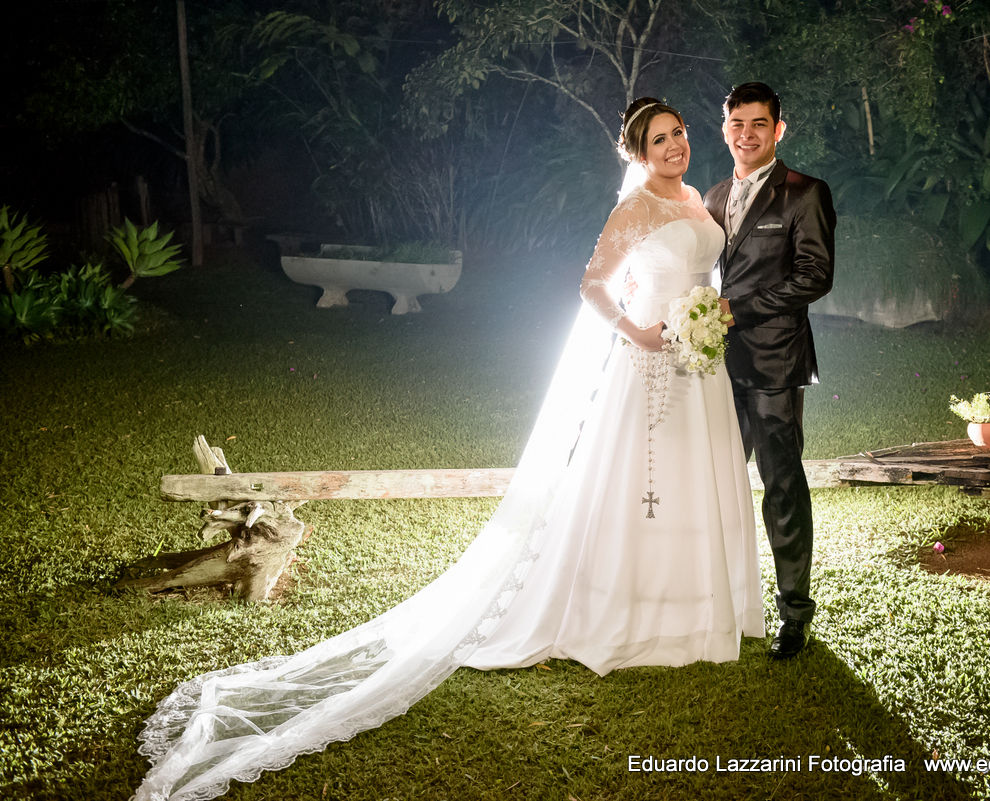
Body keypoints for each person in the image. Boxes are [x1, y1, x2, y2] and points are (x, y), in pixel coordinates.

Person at [132, 98, 763, 801]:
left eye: (678, 134)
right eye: (659, 139)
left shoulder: (703, 205)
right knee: (643, 490)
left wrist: (714, 314)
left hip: (700, 370)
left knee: (692, 486)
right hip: (649, 368)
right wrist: (640, 333)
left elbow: (709, 277)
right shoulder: (635, 210)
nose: (675, 145)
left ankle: (699, 605)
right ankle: (636, 611)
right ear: (638, 154)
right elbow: (591, 286)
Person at [703, 82, 836, 659]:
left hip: (775, 364)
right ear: (725, 128)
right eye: (737, 123)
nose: (746, 134)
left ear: (778, 129)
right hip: (709, 371)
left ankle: (794, 616)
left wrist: (739, 309)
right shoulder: (709, 198)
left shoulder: (805, 193)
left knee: (781, 486)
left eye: (759, 124)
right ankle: (718, 603)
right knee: (712, 487)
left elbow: (815, 276)